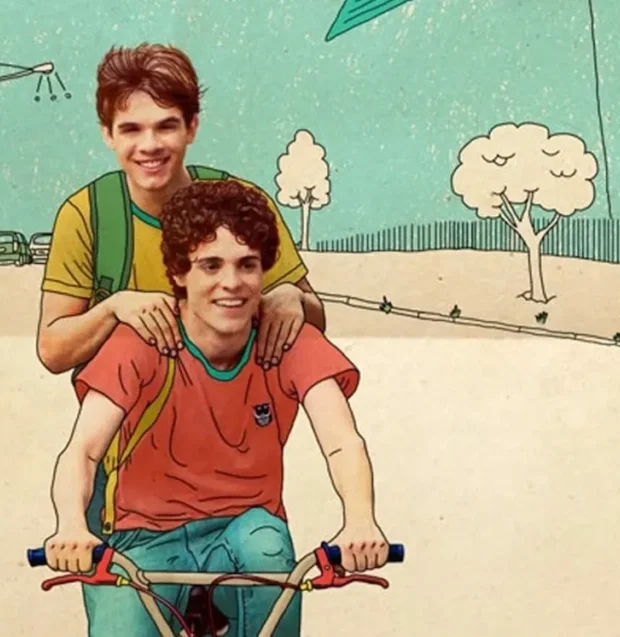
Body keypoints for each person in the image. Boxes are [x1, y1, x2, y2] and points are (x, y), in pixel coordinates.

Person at [41, 180, 390, 636]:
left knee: (268, 552)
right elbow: (83, 450)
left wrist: (360, 520)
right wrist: (71, 526)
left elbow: (342, 442)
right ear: (179, 273)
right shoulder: (142, 340)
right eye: (211, 265)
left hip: (245, 531)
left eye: (247, 264)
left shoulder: (286, 338)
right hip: (145, 536)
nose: (232, 283)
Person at [36, 42, 326, 377]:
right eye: (131, 129)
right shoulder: (87, 214)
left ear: (192, 128)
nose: (149, 146)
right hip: (126, 409)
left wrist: (293, 298)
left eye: (166, 126)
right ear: (108, 135)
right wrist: (113, 309)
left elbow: (316, 320)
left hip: (235, 405)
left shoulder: (240, 202)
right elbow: (52, 351)